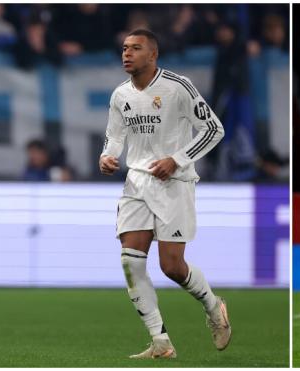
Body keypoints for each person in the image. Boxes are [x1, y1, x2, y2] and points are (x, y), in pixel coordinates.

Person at [99, 29, 230, 359]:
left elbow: (214, 129)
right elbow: (114, 138)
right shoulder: (120, 95)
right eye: (125, 48)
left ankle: (214, 307)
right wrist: (107, 156)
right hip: (136, 183)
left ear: (152, 55)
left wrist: (177, 160)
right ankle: (160, 341)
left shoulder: (177, 87)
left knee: (172, 266)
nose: (127, 53)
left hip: (174, 184)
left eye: (135, 48)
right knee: (131, 262)